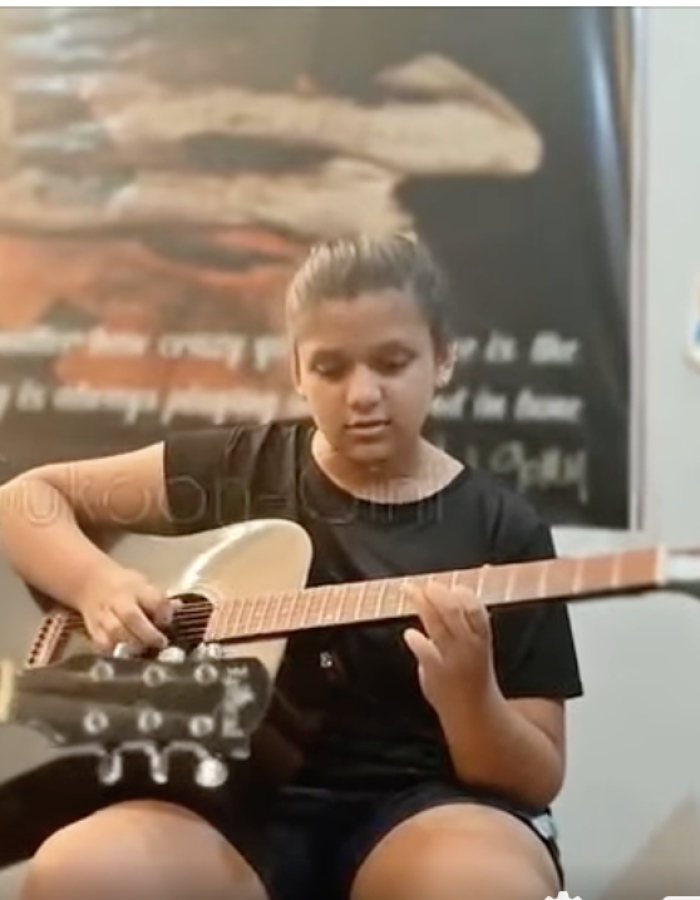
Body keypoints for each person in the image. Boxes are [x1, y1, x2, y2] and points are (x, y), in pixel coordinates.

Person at [0, 232, 583, 900]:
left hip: (425, 806)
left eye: (392, 362)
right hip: (218, 804)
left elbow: (536, 777)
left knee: (480, 887)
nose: (363, 393)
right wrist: (97, 585)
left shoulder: (503, 529)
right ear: (297, 371)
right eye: (332, 368)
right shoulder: (232, 471)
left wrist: (469, 697)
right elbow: (26, 500)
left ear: (443, 359)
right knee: (83, 874)